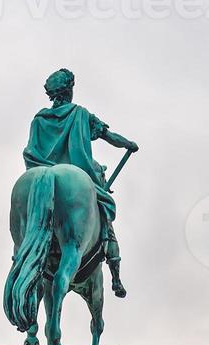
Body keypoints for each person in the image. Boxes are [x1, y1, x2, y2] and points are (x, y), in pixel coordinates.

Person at [22, 68, 138, 298]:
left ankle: (21, 255)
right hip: (79, 176)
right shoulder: (81, 115)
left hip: (39, 172)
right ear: (70, 90)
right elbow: (109, 136)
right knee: (104, 210)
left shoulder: (39, 120)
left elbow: (30, 152)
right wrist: (129, 144)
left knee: (29, 225)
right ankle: (115, 273)